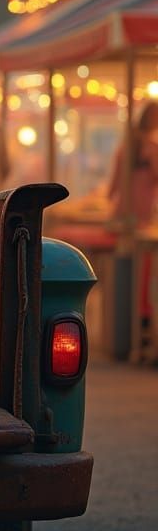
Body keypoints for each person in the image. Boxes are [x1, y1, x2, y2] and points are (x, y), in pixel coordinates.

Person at [107, 101, 158, 350]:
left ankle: (134, 323)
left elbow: (113, 184)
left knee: (132, 268)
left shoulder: (126, 145)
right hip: (141, 216)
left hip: (124, 213)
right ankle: (142, 320)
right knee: (143, 271)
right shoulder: (150, 146)